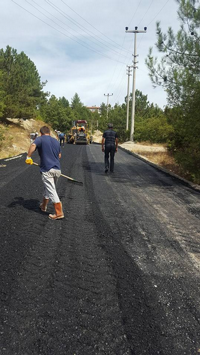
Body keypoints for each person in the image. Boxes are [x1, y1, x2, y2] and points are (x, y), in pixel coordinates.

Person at [25, 125, 64, 220]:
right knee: (49, 188)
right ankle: (43, 206)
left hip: (47, 169)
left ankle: (59, 213)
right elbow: (59, 155)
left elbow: (33, 145)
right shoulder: (55, 141)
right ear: (49, 133)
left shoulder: (40, 139)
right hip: (57, 170)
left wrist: (28, 157)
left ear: (41, 133)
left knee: (52, 190)